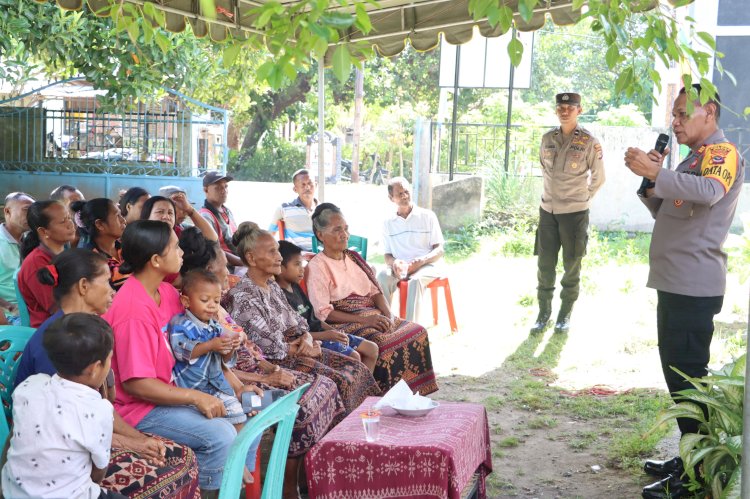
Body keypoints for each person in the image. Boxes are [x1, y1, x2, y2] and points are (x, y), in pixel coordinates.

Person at [624, 84, 744, 499]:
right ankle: (689, 456)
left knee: (691, 384)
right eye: (672, 116)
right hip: (674, 281)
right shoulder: (693, 158)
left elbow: (709, 192)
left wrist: (660, 174)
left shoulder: (722, 155)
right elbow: (666, 209)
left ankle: (698, 478)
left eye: (681, 115)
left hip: (694, 285)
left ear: (708, 112)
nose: (673, 123)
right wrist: (649, 180)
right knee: (680, 383)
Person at [14, 249, 200, 499]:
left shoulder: (82, 330)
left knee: (181, 456)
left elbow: (97, 408)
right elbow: (69, 430)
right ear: (83, 286)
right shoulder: (59, 346)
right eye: (106, 282)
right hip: (58, 463)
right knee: (171, 470)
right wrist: (135, 442)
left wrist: (138, 439)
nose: (112, 291)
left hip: (82, 439)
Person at [179, 227, 344, 499]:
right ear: (209, 271)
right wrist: (265, 379)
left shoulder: (215, 310)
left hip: (245, 383)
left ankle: (297, 479)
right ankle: (253, 477)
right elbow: (219, 372)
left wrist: (269, 370)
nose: (230, 272)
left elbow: (242, 355)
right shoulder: (197, 324)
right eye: (223, 266)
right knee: (289, 403)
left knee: (312, 391)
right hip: (226, 396)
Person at [103, 220, 237, 496]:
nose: (182, 254)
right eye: (175, 248)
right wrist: (196, 397)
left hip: (170, 390)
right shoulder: (133, 311)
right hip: (137, 409)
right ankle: (207, 488)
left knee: (241, 411)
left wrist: (227, 348)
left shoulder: (164, 291)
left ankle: (217, 479)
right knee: (220, 435)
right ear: (155, 260)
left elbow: (197, 334)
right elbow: (137, 384)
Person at [224, 222, 381, 415]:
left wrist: (307, 339)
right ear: (251, 258)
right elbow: (267, 348)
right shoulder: (242, 297)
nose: (279, 257)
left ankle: (356, 427)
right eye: (273, 252)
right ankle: (338, 438)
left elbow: (299, 322)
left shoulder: (271, 286)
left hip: (299, 348)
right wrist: (303, 348)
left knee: (354, 368)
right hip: (279, 360)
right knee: (336, 380)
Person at [305, 203, 438, 395]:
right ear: (320, 235)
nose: (345, 235)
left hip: (372, 314)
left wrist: (388, 314)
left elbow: (375, 291)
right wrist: (365, 320)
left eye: (346, 228)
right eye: (337, 230)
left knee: (417, 331)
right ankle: (379, 398)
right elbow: (324, 313)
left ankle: (410, 396)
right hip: (344, 321)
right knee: (383, 343)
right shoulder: (317, 266)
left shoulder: (353, 257)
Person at [2, 313, 126, 499]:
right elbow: (98, 472)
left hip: (12, 492)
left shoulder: (30, 385)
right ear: (94, 368)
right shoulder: (98, 410)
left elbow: (13, 437)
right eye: (110, 358)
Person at [530, 92, 605, 335]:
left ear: (579, 110)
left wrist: (583, 198)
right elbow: (544, 168)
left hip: (574, 213)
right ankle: (543, 313)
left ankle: (564, 315)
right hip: (548, 211)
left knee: (572, 264)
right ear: (556, 110)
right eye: (560, 107)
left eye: (570, 107)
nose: (564, 111)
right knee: (545, 264)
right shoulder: (547, 139)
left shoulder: (589, 142)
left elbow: (599, 176)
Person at [276, 240, 378, 371]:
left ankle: (366, 388)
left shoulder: (295, 287)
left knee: (372, 349)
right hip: (313, 340)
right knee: (354, 357)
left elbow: (314, 319)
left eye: (302, 264)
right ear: (280, 267)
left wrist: (333, 331)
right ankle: (355, 389)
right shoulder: (280, 297)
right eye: (297, 264)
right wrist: (328, 335)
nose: (302, 269)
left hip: (323, 333)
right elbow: (296, 335)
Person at [376, 177, 445, 322]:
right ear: (391, 198)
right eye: (399, 194)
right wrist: (395, 263)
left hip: (427, 265)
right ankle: (387, 325)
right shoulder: (388, 223)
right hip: (401, 266)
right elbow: (387, 255)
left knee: (415, 281)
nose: (405, 196)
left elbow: (439, 250)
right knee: (382, 277)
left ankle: (410, 331)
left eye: (406, 191)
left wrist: (421, 261)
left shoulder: (427, 216)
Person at [18, 200, 77, 327]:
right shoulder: (35, 263)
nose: (70, 224)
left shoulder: (65, 253)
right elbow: (57, 309)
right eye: (62, 221)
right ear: (44, 232)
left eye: (69, 217)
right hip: (53, 330)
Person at [71, 199, 129, 290]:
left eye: (121, 215)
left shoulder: (127, 248)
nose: (123, 220)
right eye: (117, 216)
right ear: (100, 224)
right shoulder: (91, 261)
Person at [0, 192, 34, 324]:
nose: (31, 216)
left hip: (31, 310)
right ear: (7, 211)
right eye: (26, 210)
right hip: (10, 316)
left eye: (33, 211)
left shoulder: (31, 240)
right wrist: (8, 307)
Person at [200, 171, 242, 271]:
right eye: (218, 187)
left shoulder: (227, 211)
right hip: (226, 268)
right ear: (206, 190)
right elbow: (214, 251)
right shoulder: (205, 216)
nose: (223, 191)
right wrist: (244, 262)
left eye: (225, 186)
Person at [269, 169, 318, 251]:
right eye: (303, 185)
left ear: (316, 185)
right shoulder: (284, 209)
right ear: (295, 189)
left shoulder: (325, 210)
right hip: (297, 257)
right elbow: (270, 234)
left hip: (321, 255)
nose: (307, 187)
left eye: (310, 183)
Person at [142, 194, 218, 241]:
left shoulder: (180, 233)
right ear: (147, 215)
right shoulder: (138, 238)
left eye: (170, 213)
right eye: (160, 212)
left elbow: (212, 239)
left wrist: (190, 210)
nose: (166, 217)